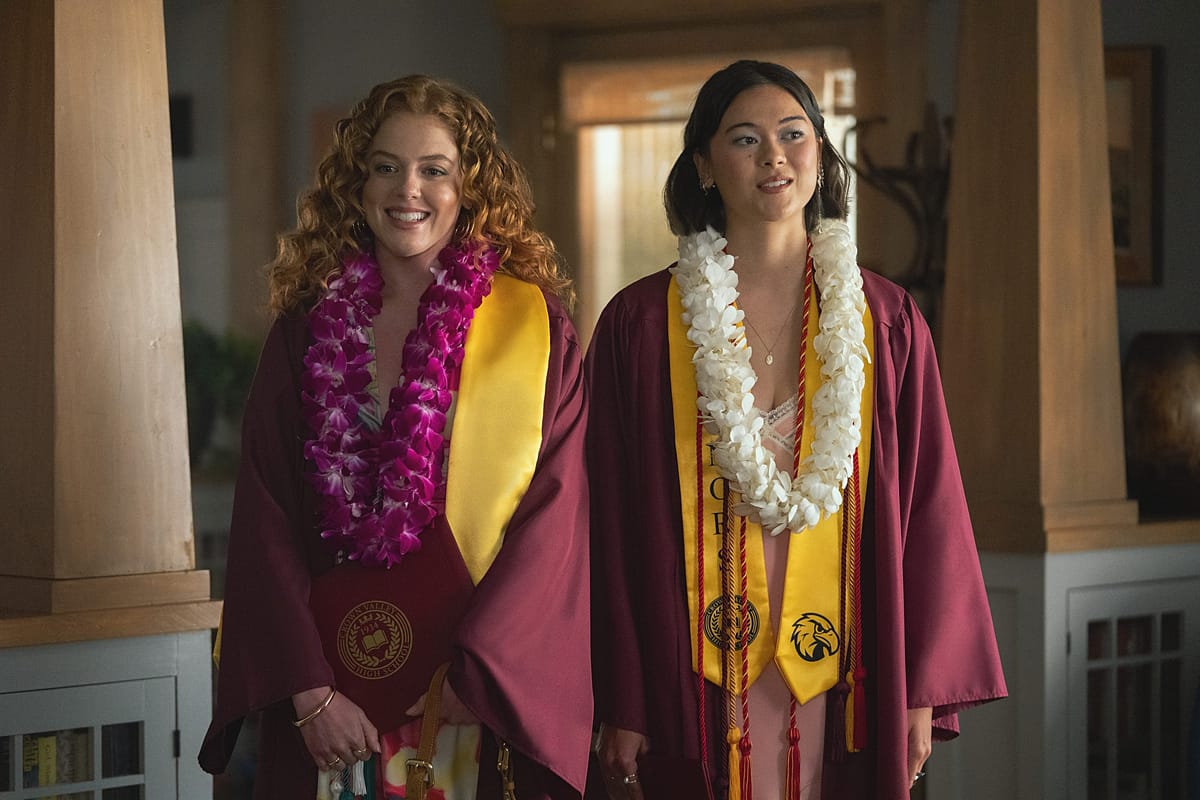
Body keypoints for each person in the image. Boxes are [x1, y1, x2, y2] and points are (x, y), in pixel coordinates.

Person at [585, 60, 1007, 800]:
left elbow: (930, 506)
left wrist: (919, 689)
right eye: (745, 139)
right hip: (689, 662)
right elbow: (605, 520)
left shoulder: (885, 321)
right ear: (703, 165)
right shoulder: (642, 325)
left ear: (820, 152)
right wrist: (622, 694)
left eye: (793, 134)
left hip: (849, 659)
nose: (774, 157)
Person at [199, 75, 592, 800]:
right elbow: (265, 517)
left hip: (471, 695)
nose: (408, 189)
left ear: (470, 187)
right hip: (329, 700)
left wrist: (489, 675)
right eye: (386, 166)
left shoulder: (534, 331)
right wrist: (307, 691)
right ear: (357, 183)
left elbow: (555, 518)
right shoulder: (306, 330)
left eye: (434, 169)